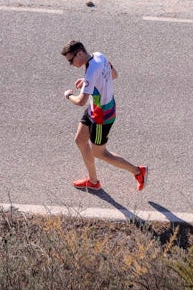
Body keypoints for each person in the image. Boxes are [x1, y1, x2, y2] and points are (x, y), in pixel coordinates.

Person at [60, 39, 146, 192]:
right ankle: (93, 182)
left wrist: (68, 95)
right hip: (95, 108)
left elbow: (80, 101)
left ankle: (138, 172)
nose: (71, 65)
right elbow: (114, 74)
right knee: (80, 140)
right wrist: (89, 82)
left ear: (79, 53)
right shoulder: (99, 56)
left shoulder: (91, 70)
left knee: (100, 153)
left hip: (102, 116)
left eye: (71, 60)